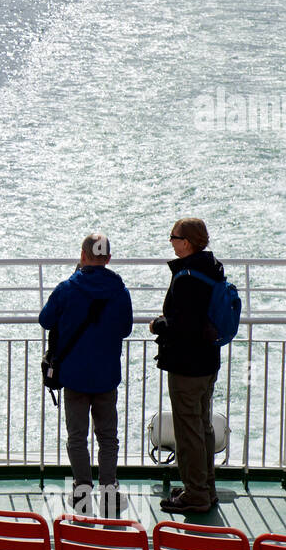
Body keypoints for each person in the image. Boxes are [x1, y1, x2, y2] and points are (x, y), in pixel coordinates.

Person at [38, 233, 134, 518]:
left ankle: (82, 491)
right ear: (108, 259)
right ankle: (109, 492)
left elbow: (45, 319)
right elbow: (126, 329)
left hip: (75, 376)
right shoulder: (120, 290)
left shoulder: (68, 288)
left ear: (82, 256)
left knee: (77, 436)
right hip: (106, 376)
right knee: (107, 436)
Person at [150, 217, 223, 515]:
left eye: (174, 236)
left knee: (188, 430)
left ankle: (196, 495)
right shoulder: (213, 268)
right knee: (202, 425)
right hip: (207, 361)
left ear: (188, 241)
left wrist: (158, 325)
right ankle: (205, 487)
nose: (171, 241)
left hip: (187, 364)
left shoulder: (189, 276)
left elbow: (184, 324)